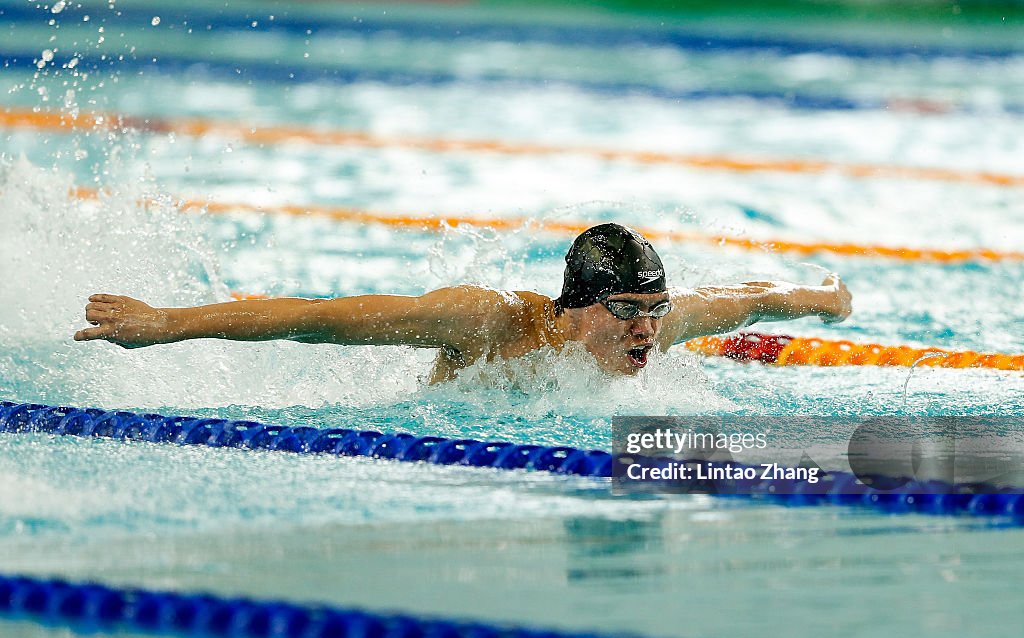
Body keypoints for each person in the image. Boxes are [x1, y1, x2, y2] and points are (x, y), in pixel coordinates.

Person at [74, 223, 852, 383]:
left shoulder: (660, 323)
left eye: (656, 306)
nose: (647, 327)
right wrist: (167, 323)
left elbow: (756, 300)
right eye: (625, 309)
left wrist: (826, 300)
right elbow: (318, 316)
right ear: (575, 305)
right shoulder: (485, 323)